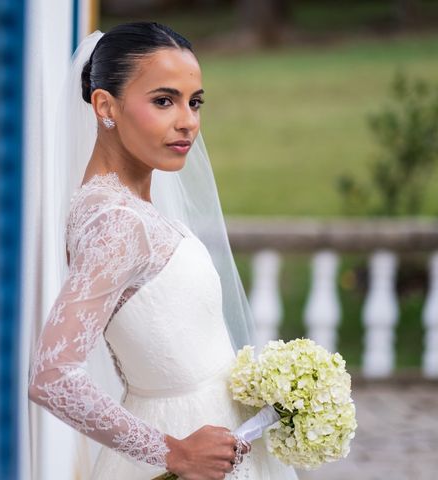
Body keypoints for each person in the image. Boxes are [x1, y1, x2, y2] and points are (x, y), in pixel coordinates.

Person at [28, 22, 299, 480]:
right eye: (163, 101)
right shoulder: (117, 224)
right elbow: (53, 375)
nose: (188, 121)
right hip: (183, 447)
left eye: (194, 102)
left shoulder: (129, 208)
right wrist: (172, 451)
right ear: (104, 106)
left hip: (218, 438)